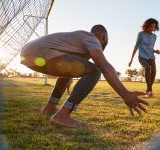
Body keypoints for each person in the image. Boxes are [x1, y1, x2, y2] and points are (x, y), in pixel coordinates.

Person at [20, 25, 149, 128]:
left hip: (28, 53)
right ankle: (63, 116)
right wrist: (125, 94)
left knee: (73, 70)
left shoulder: (78, 41)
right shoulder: (91, 38)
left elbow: (67, 70)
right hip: (41, 52)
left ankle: (50, 107)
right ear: (103, 37)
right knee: (94, 71)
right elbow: (103, 65)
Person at [128, 18, 160, 97]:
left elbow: (150, 48)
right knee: (147, 68)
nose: (153, 29)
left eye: (154, 27)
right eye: (151, 27)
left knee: (154, 70)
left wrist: (155, 51)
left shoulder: (154, 36)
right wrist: (131, 59)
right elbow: (136, 46)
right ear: (147, 26)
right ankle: (149, 90)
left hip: (151, 56)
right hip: (142, 56)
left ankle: (149, 88)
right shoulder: (141, 34)